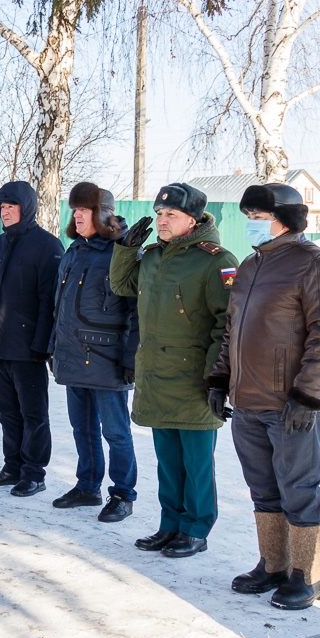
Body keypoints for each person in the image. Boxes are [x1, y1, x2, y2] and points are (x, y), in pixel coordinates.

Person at [207, 183, 320, 610]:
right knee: (263, 489)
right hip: (248, 400)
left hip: (292, 404)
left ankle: (308, 575)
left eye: (258, 216)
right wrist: (219, 379)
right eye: (249, 215)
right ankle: (273, 565)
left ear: (284, 220)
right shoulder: (250, 266)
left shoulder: (316, 265)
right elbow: (234, 331)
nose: (251, 224)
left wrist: (308, 395)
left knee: (299, 488)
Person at [109, 183, 236, 558]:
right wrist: (125, 249)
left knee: (196, 463)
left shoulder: (217, 260)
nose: (162, 220)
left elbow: (227, 325)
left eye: (171, 215)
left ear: (192, 220)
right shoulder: (151, 256)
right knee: (168, 461)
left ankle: (196, 528)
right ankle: (171, 525)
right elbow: (121, 284)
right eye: (159, 213)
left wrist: (218, 379)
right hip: (157, 376)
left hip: (195, 379)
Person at [47, 183, 140, 522]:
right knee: (82, 428)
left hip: (108, 360)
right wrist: (53, 348)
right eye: (74, 211)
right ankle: (87, 486)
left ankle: (123, 494)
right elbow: (59, 307)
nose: (77, 216)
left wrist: (131, 357)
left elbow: (137, 311)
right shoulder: (74, 251)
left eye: (83, 210)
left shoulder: (123, 252)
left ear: (102, 214)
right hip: (73, 355)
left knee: (115, 432)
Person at [0, 181, 63, 498]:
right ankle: (12, 466)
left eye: (11, 206)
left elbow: (49, 301)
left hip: (28, 350)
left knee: (33, 415)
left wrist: (41, 345)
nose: (5, 212)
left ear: (26, 208)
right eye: (1, 207)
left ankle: (33, 473)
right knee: (7, 413)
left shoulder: (47, 246)